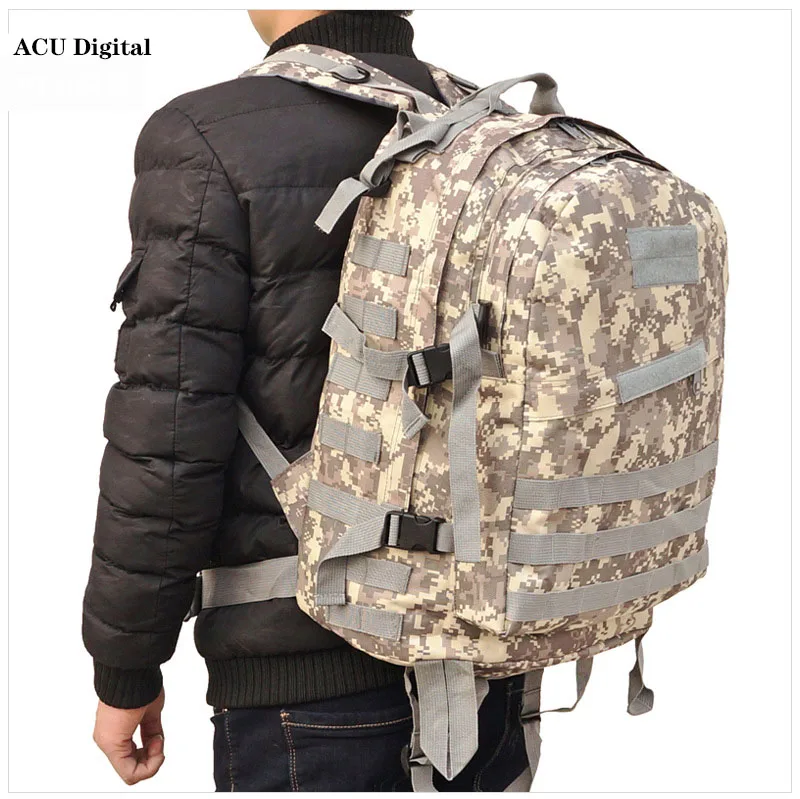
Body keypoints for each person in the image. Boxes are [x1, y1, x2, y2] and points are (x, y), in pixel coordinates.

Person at [83, 9, 529, 791]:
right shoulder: (498, 128)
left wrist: (127, 664)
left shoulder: (206, 136)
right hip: (494, 665)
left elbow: (168, 433)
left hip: (306, 672)